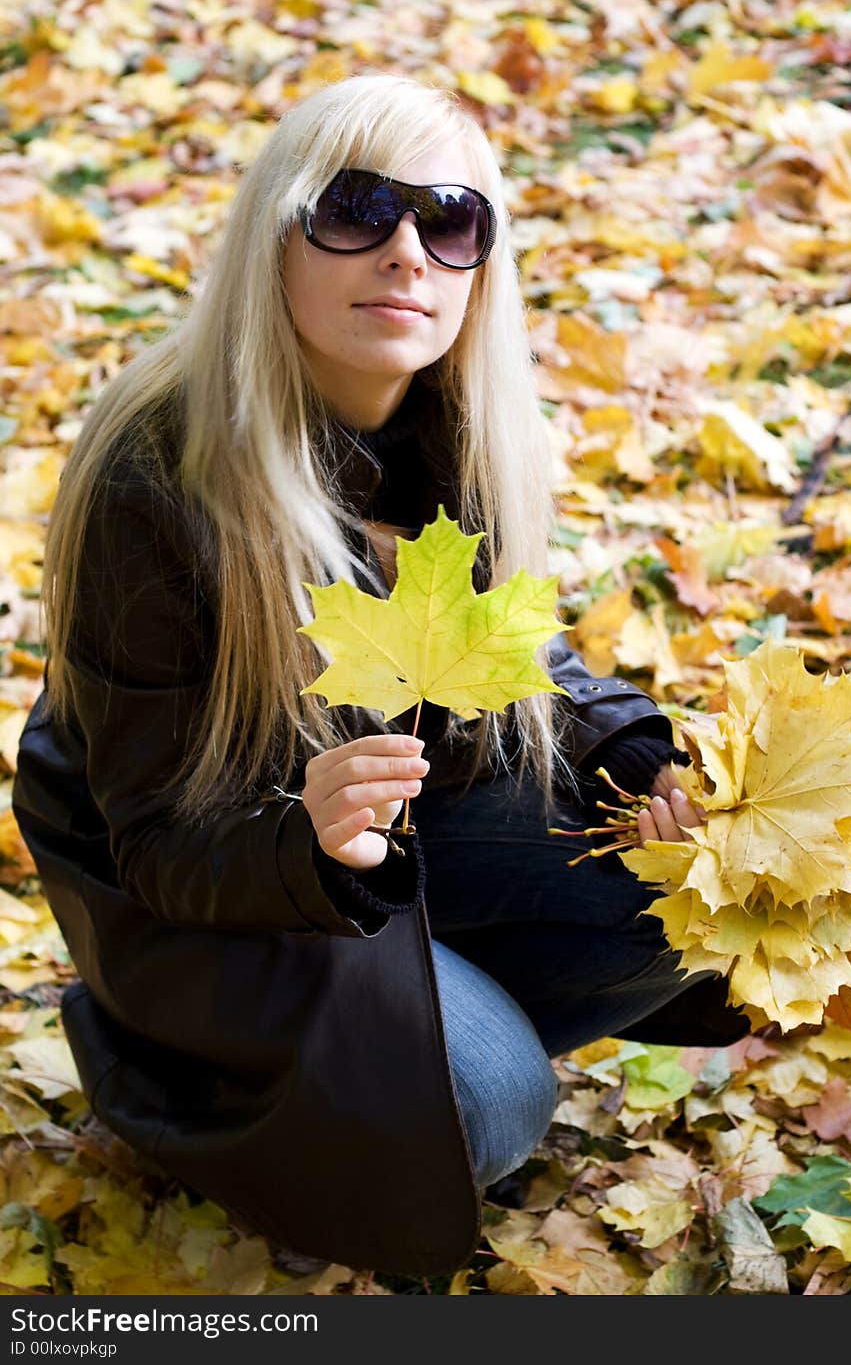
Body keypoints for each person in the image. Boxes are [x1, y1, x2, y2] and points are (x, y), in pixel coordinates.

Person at [11, 73, 749, 1280]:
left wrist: (627, 747)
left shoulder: (464, 424)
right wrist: (307, 843)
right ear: (276, 238)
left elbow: (506, 660)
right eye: (356, 209)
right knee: (491, 1111)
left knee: (690, 896)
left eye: (448, 218)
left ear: (476, 264)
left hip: (392, 821)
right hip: (196, 868)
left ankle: (386, 1053)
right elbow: (148, 826)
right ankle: (192, 1069)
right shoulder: (157, 469)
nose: (406, 251)